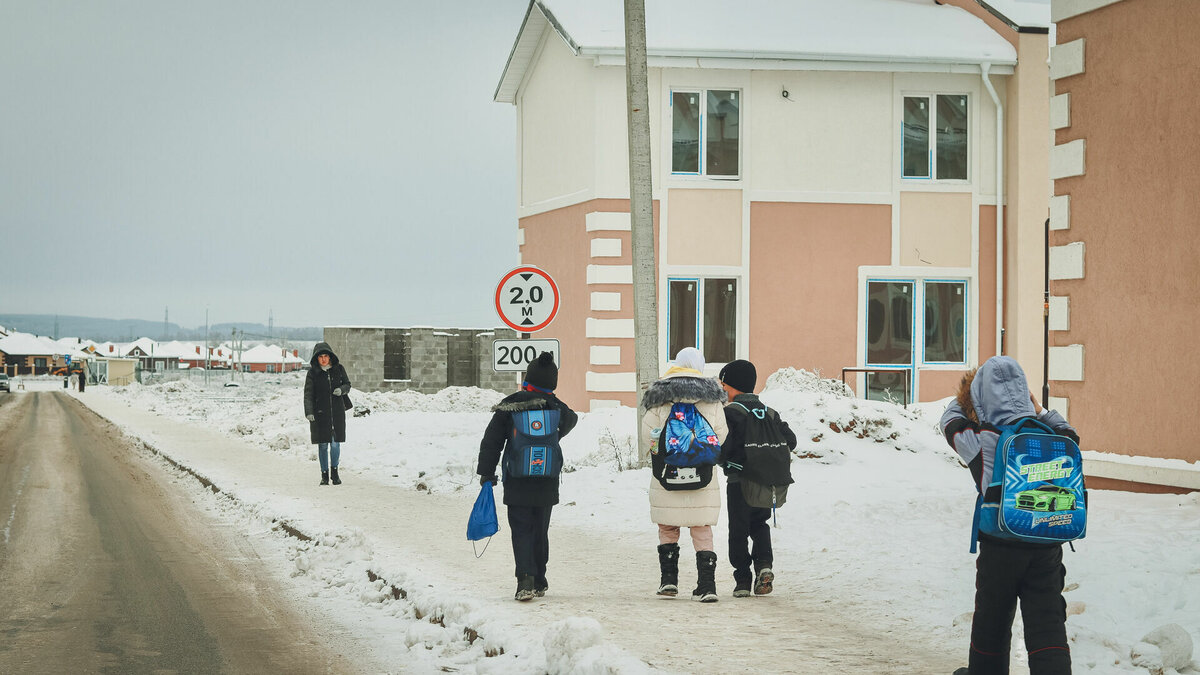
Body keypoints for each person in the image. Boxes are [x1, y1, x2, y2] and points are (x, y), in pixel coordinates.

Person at [941, 356, 1079, 675]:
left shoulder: (980, 440)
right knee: (1047, 622)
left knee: (992, 618)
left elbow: (949, 420)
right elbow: (1070, 432)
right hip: (1045, 542)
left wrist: (969, 398)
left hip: (999, 546)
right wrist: (1038, 409)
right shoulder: (1053, 435)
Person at [477, 352, 577, 601]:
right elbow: (571, 419)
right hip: (546, 480)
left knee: (521, 529)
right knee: (540, 530)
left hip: (517, 479)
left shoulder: (510, 406)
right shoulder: (556, 408)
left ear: (528, 378)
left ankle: (525, 580)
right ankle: (540, 580)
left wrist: (486, 473)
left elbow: (492, 442)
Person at [640, 347, 729, 602]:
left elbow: (649, 435)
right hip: (702, 473)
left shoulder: (659, 397)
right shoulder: (713, 399)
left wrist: (665, 449)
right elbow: (720, 435)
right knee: (702, 529)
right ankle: (707, 585)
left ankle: (669, 581)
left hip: (668, 472)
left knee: (668, 526)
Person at [718, 359, 796, 598]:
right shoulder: (770, 413)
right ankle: (764, 565)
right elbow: (791, 441)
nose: (722, 390)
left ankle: (742, 580)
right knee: (759, 525)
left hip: (740, 482)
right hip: (768, 484)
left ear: (731, 386)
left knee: (738, 530)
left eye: (723, 385)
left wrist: (726, 462)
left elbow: (724, 446)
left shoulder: (731, 413)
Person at [304, 342, 352, 486]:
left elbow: (348, 384)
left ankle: (335, 473)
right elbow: (308, 394)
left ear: (330, 356)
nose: (324, 359)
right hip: (320, 414)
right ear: (316, 359)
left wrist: (342, 390)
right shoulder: (312, 373)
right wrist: (309, 412)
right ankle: (324, 475)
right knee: (323, 445)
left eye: (326, 356)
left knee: (335, 444)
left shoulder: (339, 369)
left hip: (336, 413)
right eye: (320, 357)